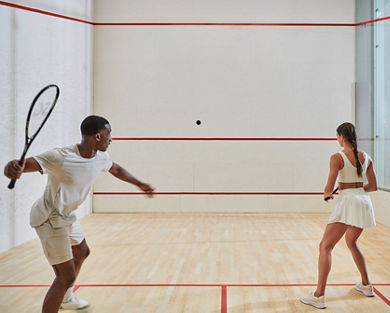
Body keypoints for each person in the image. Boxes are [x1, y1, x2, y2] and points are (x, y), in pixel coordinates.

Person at [4, 115, 154, 313]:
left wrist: (139, 184)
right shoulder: (61, 157)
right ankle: (61, 295)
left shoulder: (101, 157)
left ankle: (66, 298)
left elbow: (115, 169)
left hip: (66, 216)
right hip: (50, 218)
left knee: (82, 252)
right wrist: (11, 168)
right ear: (98, 136)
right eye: (109, 134)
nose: (111, 139)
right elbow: (22, 166)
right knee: (65, 276)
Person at [300, 122, 377, 309]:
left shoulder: (337, 157)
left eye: (337, 136)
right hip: (363, 203)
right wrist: (356, 189)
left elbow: (329, 188)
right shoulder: (366, 156)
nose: (337, 139)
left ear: (341, 137)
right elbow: (372, 186)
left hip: (348, 204)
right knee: (351, 242)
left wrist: (328, 194)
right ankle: (366, 285)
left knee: (325, 246)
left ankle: (319, 295)